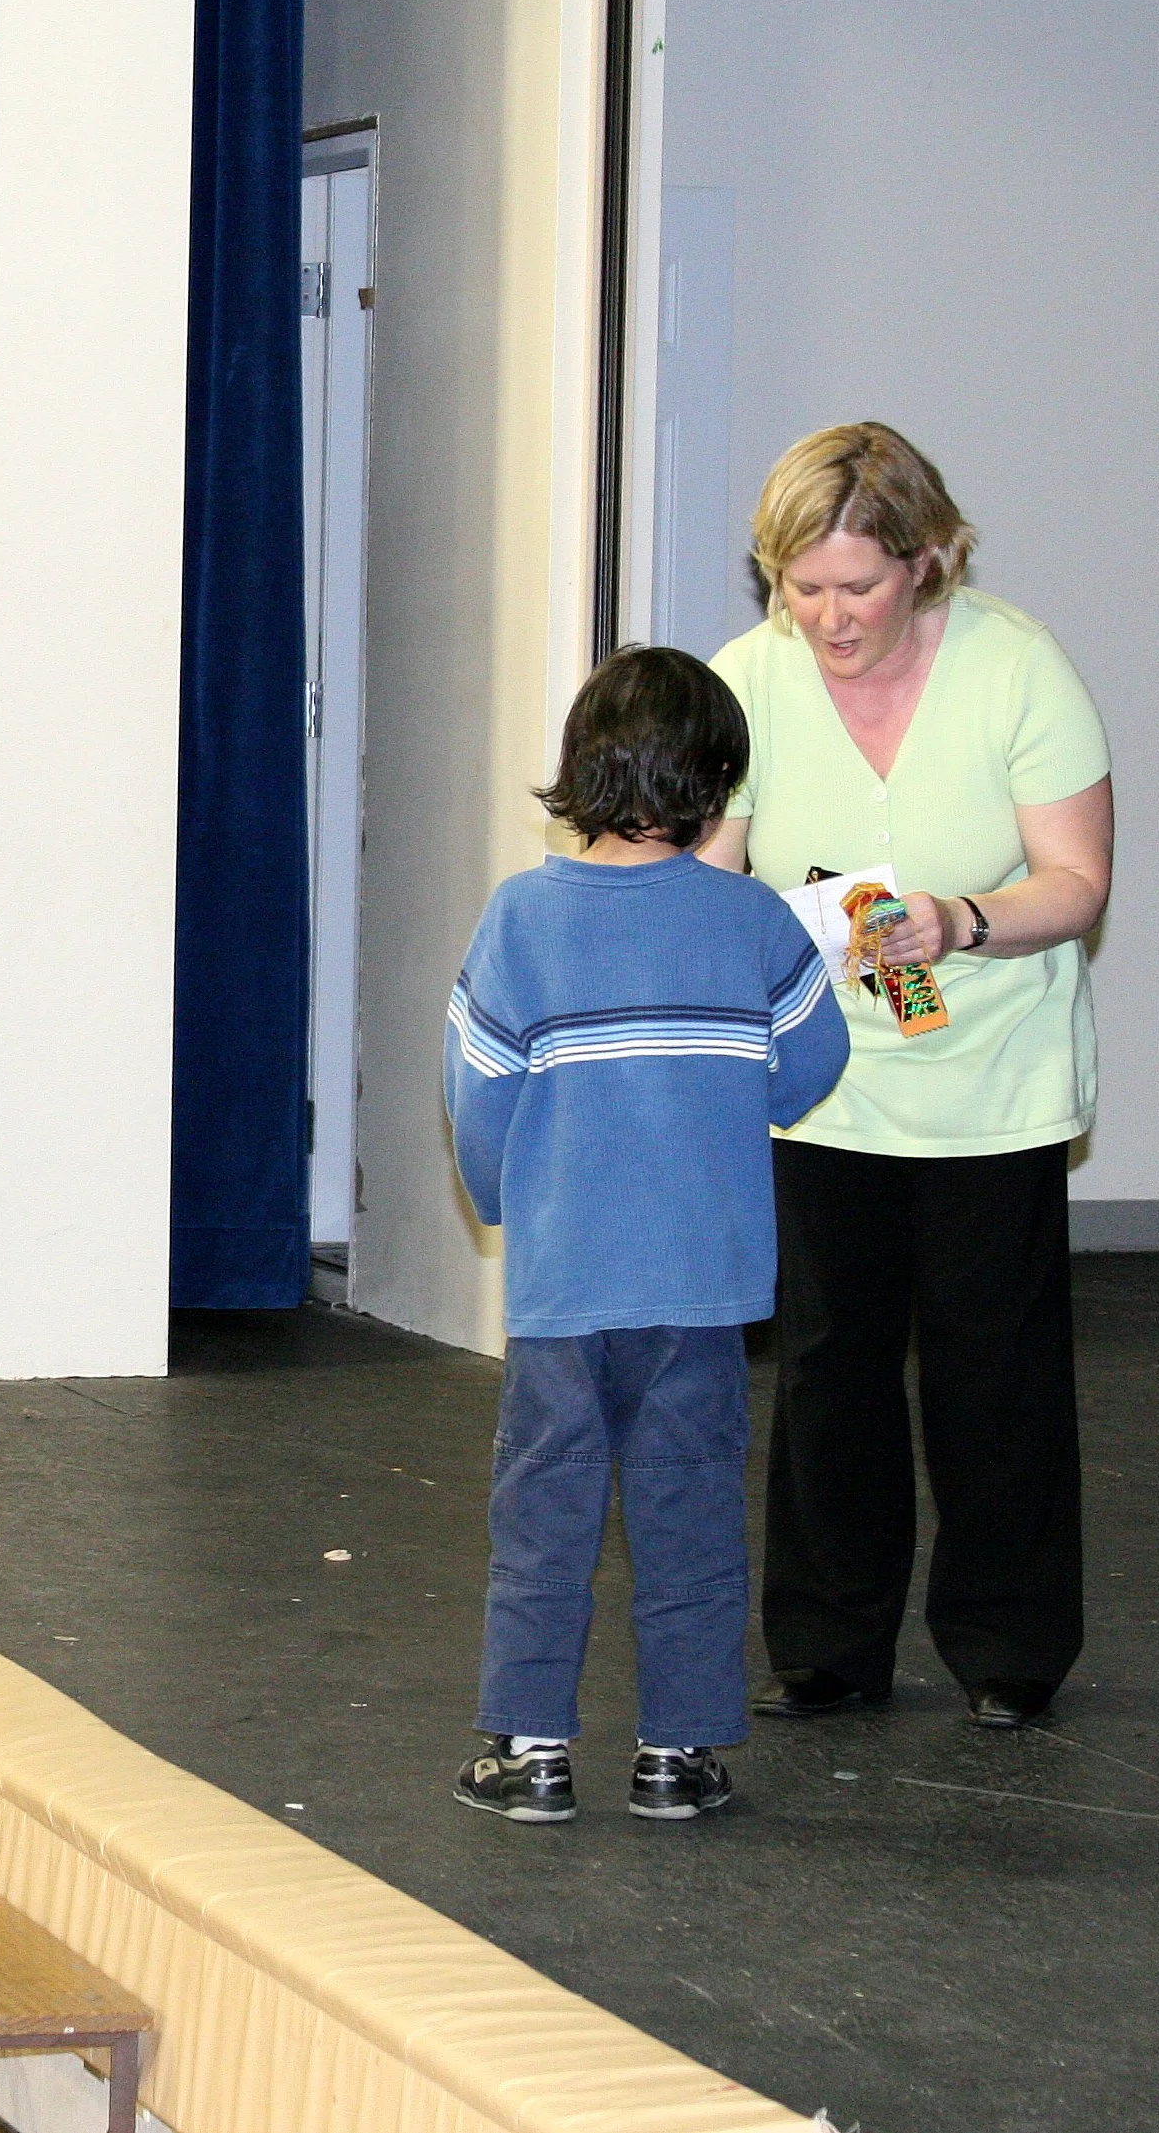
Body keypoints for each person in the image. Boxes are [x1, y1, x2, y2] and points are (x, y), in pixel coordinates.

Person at [698, 423, 1113, 1731]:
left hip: (988, 1074)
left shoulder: (1021, 668)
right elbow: (713, 866)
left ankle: (1009, 1646)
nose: (825, 616)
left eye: (855, 587)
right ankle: (826, 1641)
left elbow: (1077, 883)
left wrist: (958, 921)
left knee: (998, 1370)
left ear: (929, 561)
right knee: (828, 1365)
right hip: (822, 1077)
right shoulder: (746, 680)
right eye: (797, 586)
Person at [444, 646, 847, 1822]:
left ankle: (531, 1754)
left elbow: (478, 1094)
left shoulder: (521, 916)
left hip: (567, 1287)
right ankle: (676, 1756)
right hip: (705, 1288)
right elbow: (810, 1061)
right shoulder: (753, 922)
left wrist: (505, 1201)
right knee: (690, 1515)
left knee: (545, 1514)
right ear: (719, 782)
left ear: (576, 771)